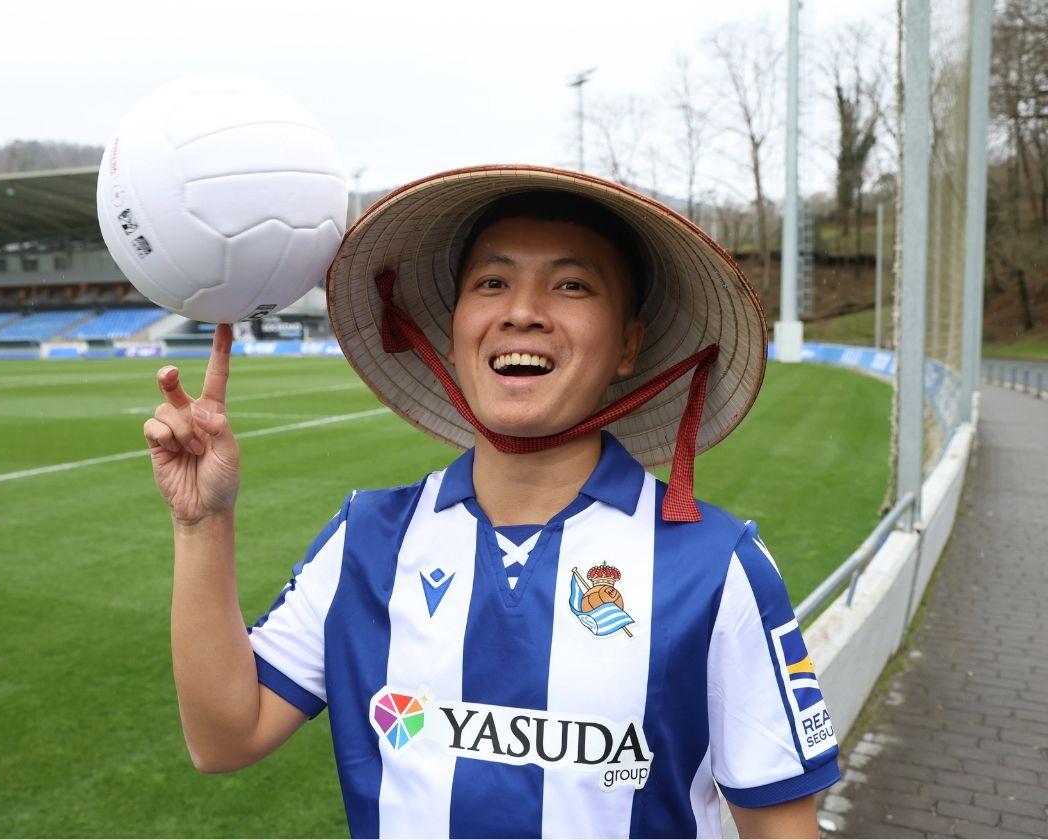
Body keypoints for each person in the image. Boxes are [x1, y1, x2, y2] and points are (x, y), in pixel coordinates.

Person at [143, 166, 841, 839]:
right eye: (493, 281)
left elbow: (781, 829)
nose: (523, 312)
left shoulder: (717, 567)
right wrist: (200, 522)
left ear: (629, 343)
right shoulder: (367, 540)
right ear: (453, 330)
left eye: (572, 284)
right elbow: (224, 738)